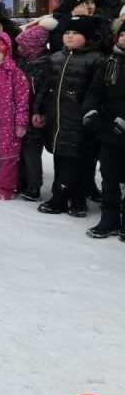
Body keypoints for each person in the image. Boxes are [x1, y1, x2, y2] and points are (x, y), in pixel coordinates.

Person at [34, 16, 104, 218]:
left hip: (82, 120)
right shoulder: (55, 57)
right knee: (60, 157)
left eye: (76, 33)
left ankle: (77, 199)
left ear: (88, 37)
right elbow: (45, 88)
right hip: (58, 119)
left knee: (82, 160)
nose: (70, 36)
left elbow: (97, 92)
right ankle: (61, 196)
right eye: (67, 32)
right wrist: (37, 110)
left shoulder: (96, 59)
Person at [83, 22, 125, 238]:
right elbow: (95, 91)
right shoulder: (110, 61)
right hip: (108, 128)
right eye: (122, 34)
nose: (124, 38)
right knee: (109, 174)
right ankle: (109, 218)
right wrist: (90, 110)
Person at [0, 32, 30, 200]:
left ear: (6, 51)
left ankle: (5, 187)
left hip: (8, 121)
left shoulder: (14, 73)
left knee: (7, 156)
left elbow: (22, 99)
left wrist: (21, 122)